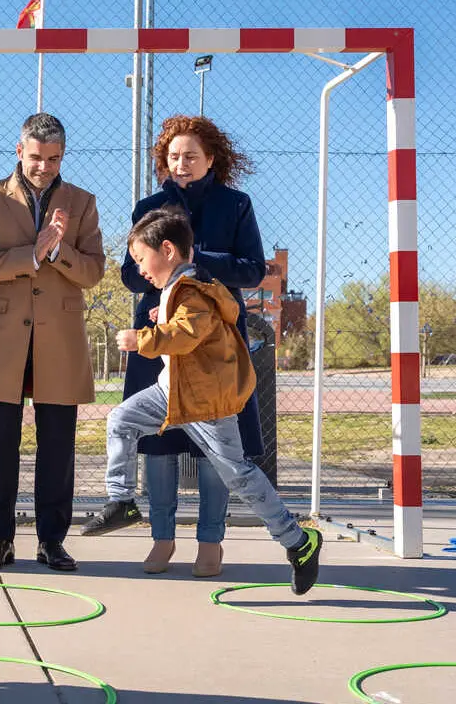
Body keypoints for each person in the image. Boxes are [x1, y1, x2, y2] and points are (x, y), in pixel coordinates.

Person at [83, 114, 266, 579]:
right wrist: (157, 274)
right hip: (159, 333)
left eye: (190, 156)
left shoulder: (236, 204)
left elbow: (252, 269)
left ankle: (210, 542)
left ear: (211, 159)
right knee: (157, 441)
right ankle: (161, 538)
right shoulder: (151, 205)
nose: (181, 164)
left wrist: (192, 258)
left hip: (215, 341)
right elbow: (129, 273)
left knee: (215, 447)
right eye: (173, 156)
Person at [110, 205, 321, 595]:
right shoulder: (177, 290)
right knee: (120, 420)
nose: (139, 268)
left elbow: (185, 335)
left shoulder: (192, 290)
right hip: (172, 391)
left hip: (206, 400)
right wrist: (162, 318)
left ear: (168, 251)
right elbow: (182, 327)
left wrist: (141, 339)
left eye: (141, 258)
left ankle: (298, 541)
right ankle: (120, 500)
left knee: (237, 474)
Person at [0, 113, 105, 572]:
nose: (45, 166)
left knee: (58, 447)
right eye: (37, 157)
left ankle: (52, 542)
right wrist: (32, 254)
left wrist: (60, 251)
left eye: (55, 158)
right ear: (19, 151)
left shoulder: (82, 202)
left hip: (59, 339)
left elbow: (95, 271)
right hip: (5, 339)